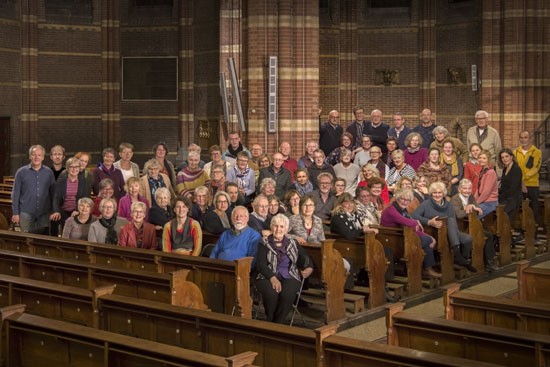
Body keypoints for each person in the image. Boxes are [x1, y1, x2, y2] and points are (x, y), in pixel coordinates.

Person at [254, 214, 313, 324]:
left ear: (286, 229)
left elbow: (305, 257)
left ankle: (278, 323)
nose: (278, 229)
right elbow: (261, 264)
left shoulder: (293, 243)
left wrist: (309, 268)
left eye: (281, 226)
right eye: (275, 226)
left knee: (287, 294)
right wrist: (272, 278)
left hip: (290, 274)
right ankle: (271, 321)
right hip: (267, 275)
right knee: (271, 294)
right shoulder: (263, 243)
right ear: (271, 227)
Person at [412, 182, 476, 272]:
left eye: (439, 193)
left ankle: (460, 259)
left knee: (468, 238)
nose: (437, 195)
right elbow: (414, 216)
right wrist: (429, 222)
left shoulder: (448, 205)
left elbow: (453, 222)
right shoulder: (426, 204)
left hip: (451, 232)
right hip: (434, 233)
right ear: (431, 194)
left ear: (443, 194)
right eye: (435, 193)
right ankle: (458, 255)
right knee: (450, 220)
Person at [381, 189, 441, 278]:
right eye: (403, 199)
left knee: (427, 240)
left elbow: (413, 227)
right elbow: (407, 222)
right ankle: (425, 269)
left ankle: (426, 268)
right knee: (426, 241)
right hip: (392, 240)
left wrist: (428, 236)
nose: (405, 202)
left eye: (408, 200)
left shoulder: (403, 210)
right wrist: (416, 221)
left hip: (402, 236)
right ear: (397, 198)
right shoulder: (391, 210)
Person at [451, 179, 498, 272]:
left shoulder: (471, 197)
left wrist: (473, 207)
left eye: (469, 188)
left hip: (471, 225)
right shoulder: (455, 199)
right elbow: (459, 215)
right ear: (459, 189)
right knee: (484, 235)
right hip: (460, 228)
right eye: (464, 188)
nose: (467, 191)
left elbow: (479, 210)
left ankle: (489, 261)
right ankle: (486, 261)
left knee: (489, 234)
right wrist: (467, 208)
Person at [12, 145, 55, 234]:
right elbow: (15, 194)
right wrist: (15, 213)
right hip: (26, 212)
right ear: (30, 156)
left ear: (43, 157)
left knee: (42, 240)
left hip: (44, 212)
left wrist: (53, 210)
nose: (36, 157)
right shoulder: (21, 172)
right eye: (34, 155)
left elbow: (53, 193)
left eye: (39, 155)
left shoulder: (49, 172)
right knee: (26, 238)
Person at [514, 131, 542, 230]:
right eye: (521, 137)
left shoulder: (536, 152)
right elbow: (515, 168)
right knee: (521, 210)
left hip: (532, 185)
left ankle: (534, 233)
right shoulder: (515, 152)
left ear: (530, 139)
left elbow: (535, 168)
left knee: (533, 209)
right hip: (519, 185)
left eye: (525, 137)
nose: (523, 139)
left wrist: (522, 179)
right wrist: (520, 182)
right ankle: (523, 232)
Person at [51, 157, 90, 227]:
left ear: (79, 168)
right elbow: (56, 198)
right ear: (67, 168)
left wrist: (77, 210)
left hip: (77, 211)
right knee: (54, 219)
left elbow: (85, 198)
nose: (74, 169)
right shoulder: (61, 181)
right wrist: (56, 211)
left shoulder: (83, 181)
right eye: (71, 167)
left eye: (76, 167)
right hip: (63, 211)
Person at [498, 148, 523, 222]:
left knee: (503, 213)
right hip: (505, 197)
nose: (504, 159)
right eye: (502, 157)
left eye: (506, 156)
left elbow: (513, 188)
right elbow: (503, 185)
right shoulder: (505, 169)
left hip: (513, 198)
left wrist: (501, 196)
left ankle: (506, 230)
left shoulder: (516, 169)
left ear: (511, 157)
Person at [474, 151, 498, 218]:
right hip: (482, 201)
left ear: (488, 160)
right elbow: (478, 190)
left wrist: (476, 203)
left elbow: (486, 192)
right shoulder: (482, 171)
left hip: (490, 202)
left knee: (473, 214)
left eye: (484, 158)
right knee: (466, 210)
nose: (481, 160)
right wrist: (473, 202)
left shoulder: (491, 172)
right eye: (480, 158)